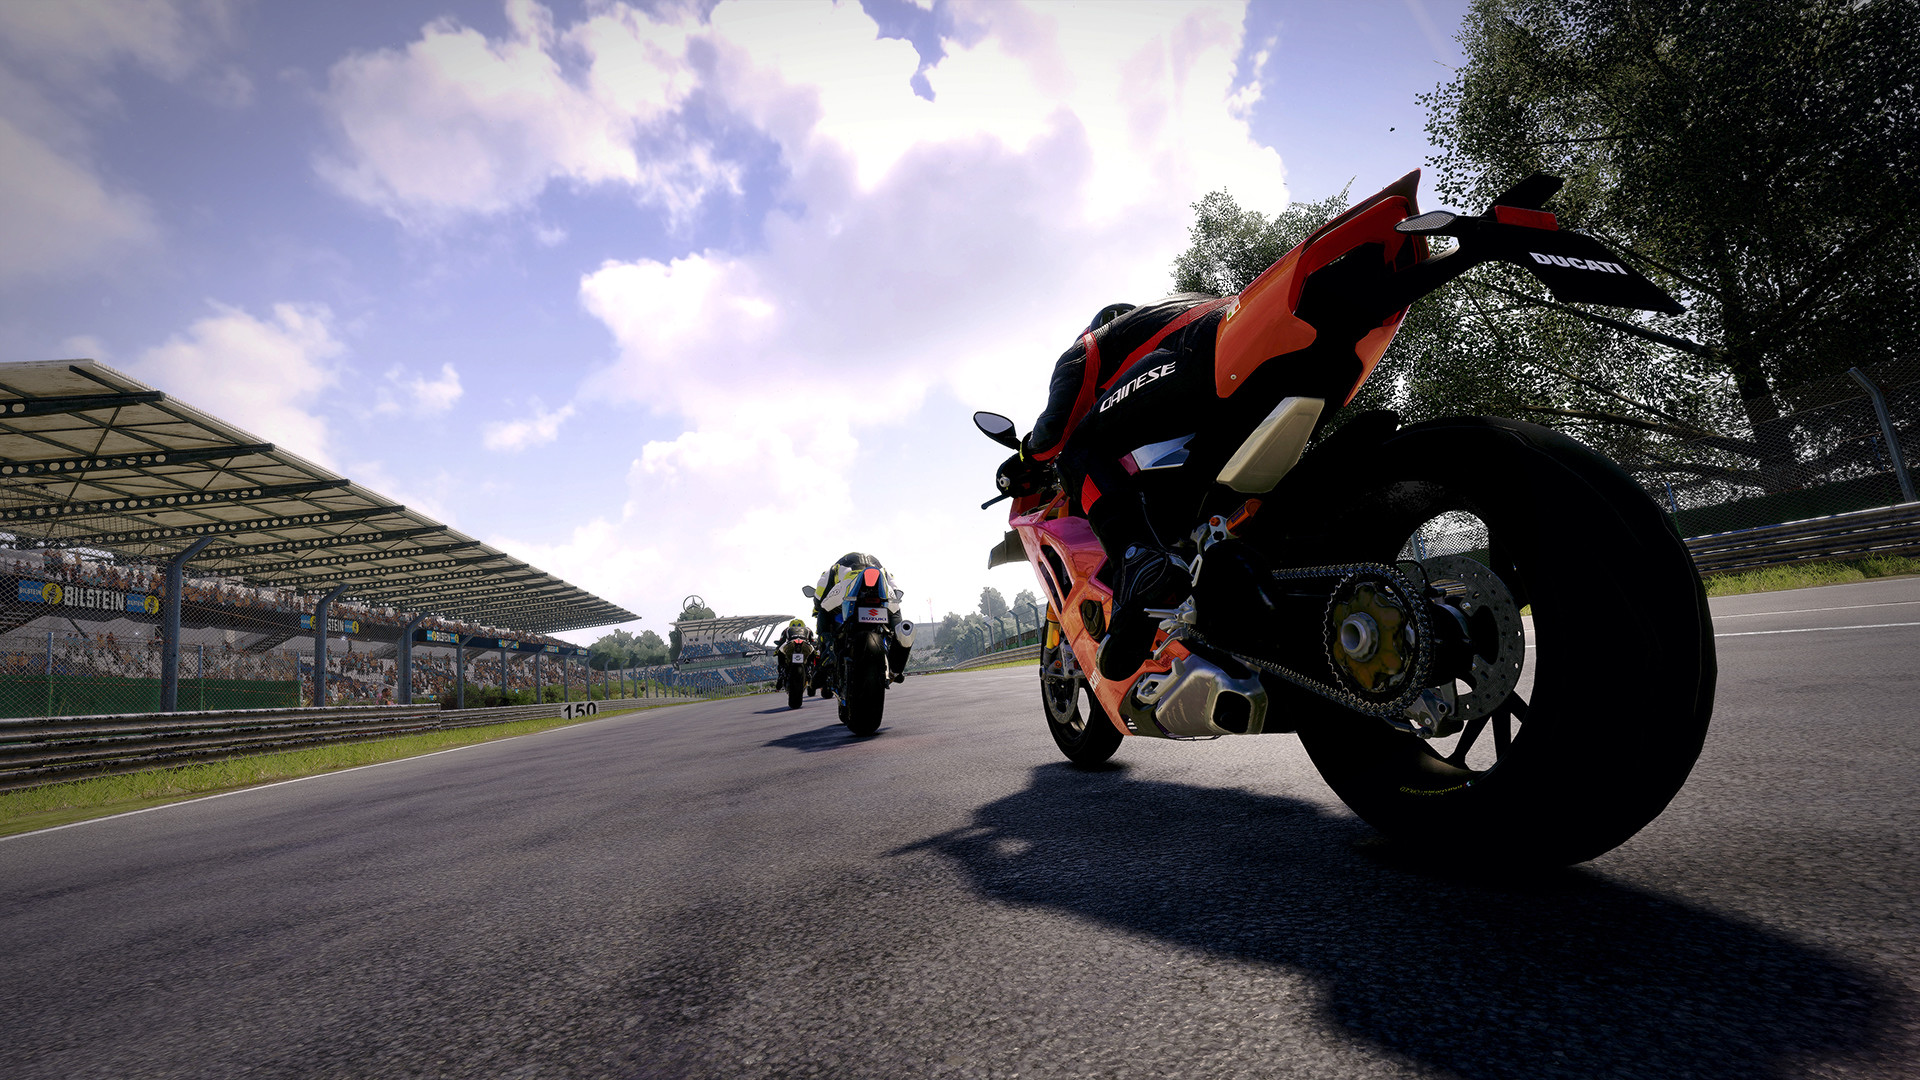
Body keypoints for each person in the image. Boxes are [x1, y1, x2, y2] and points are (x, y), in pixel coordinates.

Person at [1020, 293, 1237, 681]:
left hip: (1201, 353)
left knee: (1076, 452)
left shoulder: (1087, 349)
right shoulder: (1169, 311)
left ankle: (1138, 561)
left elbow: (1051, 433)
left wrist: (1025, 458)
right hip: (1250, 354)